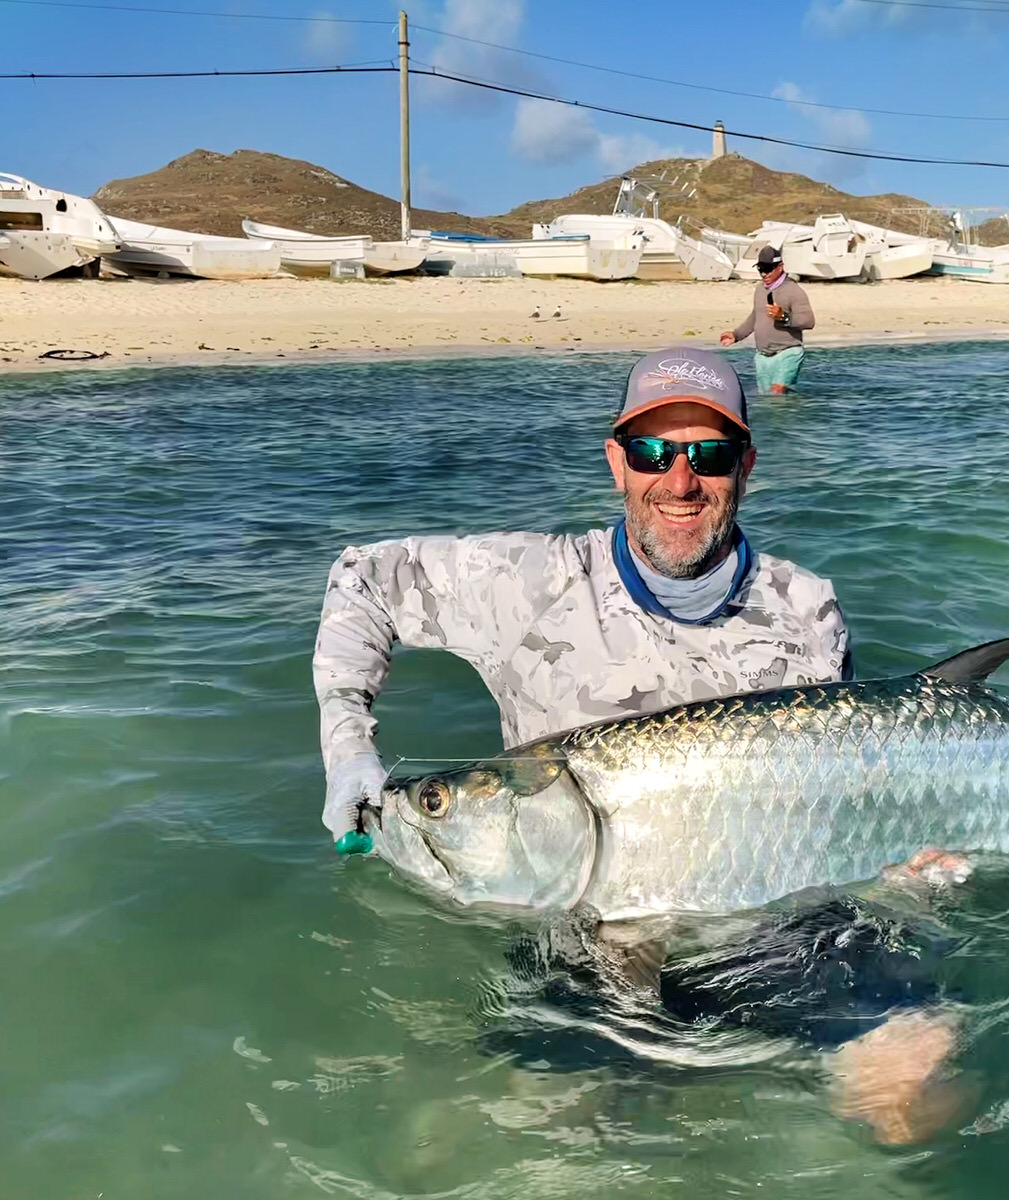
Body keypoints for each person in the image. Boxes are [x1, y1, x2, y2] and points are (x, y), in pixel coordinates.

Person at [311, 345, 960, 1143]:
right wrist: (349, 752)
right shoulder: (529, 582)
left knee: (907, 1103)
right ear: (617, 462)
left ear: (746, 465)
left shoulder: (807, 608)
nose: (679, 480)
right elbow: (363, 580)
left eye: (708, 454)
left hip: (782, 936)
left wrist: (905, 873)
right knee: (536, 1150)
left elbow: (847, 796)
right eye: (653, 451)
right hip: (587, 945)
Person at [720, 244, 813, 395]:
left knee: (778, 393)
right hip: (762, 357)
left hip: (787, 353)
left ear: (780, 267)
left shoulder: (794, 291)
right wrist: (736, 335)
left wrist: (783, 317)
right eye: (760, 269)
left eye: (768, 269)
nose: (764, 274)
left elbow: (808, 321)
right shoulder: (760, 289)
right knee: (766, 399)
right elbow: (755, 316)